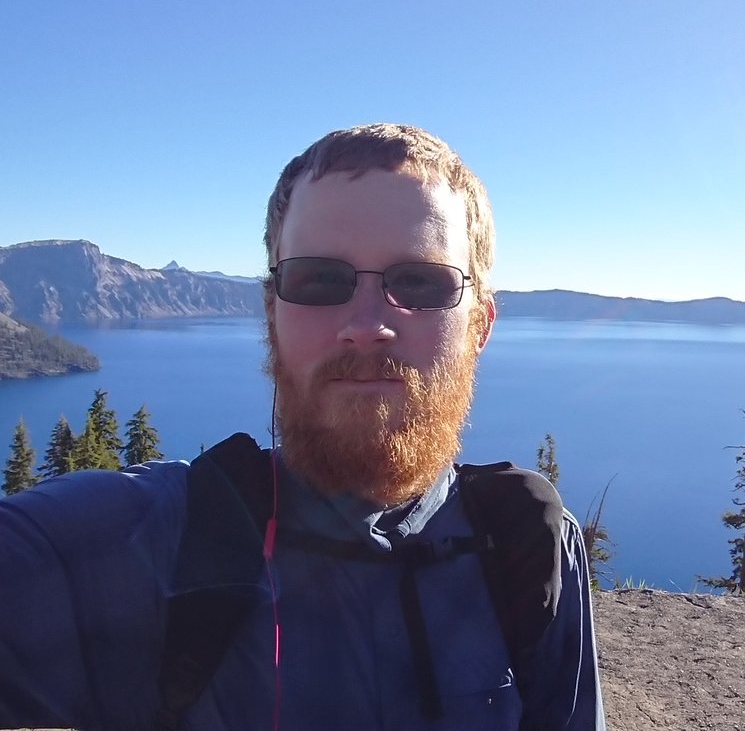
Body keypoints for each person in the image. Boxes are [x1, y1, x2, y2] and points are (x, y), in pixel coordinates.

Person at [0, 124, 605, 730]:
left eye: (420, 282)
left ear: (480, 325)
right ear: (272, 313)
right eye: (320, 279)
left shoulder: (528, 549)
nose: (367, 325)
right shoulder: (142, 542)